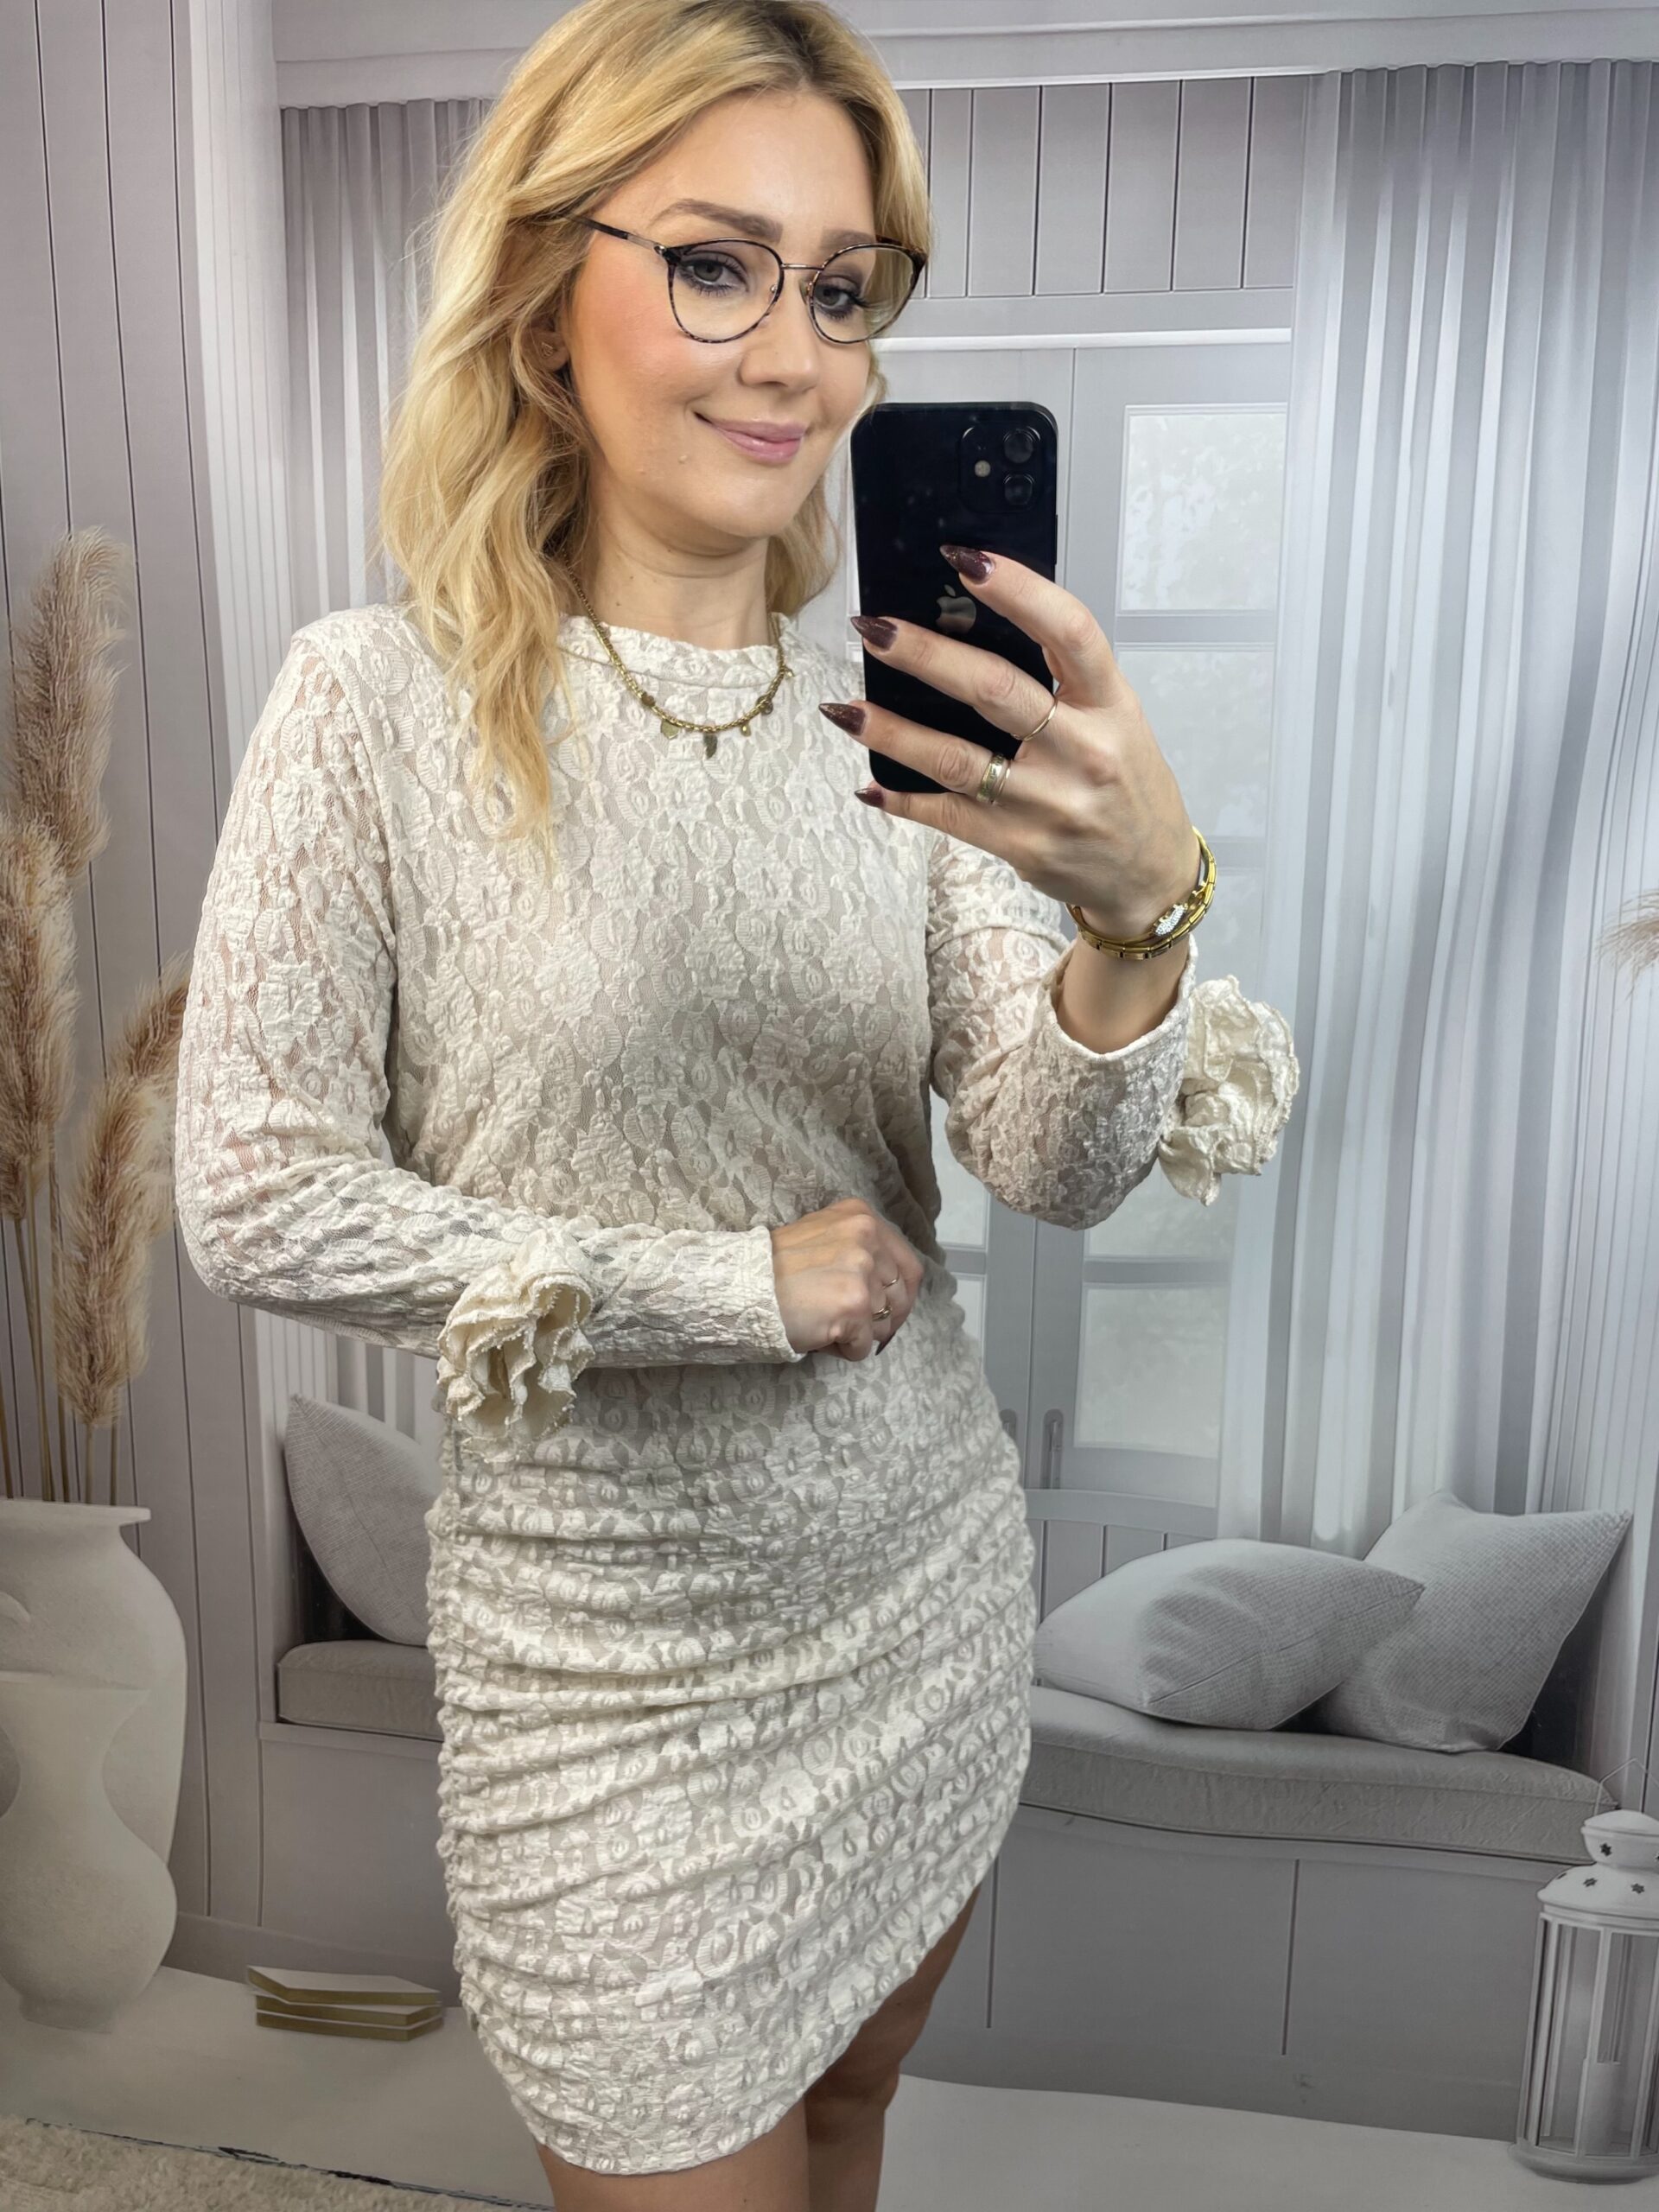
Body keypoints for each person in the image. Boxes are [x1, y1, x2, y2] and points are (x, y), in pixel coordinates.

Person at [174, 2, 1292, 2204]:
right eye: (714, 264)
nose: (795, 353)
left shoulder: (899, 733)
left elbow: (1054, 1165)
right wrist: (725, 1287)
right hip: (597, 1682)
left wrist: (1138, 916)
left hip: (912, 1603)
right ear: (544, 292)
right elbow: (255, 1193)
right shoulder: (372, 706)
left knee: (854, 2117)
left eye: (843, 286)